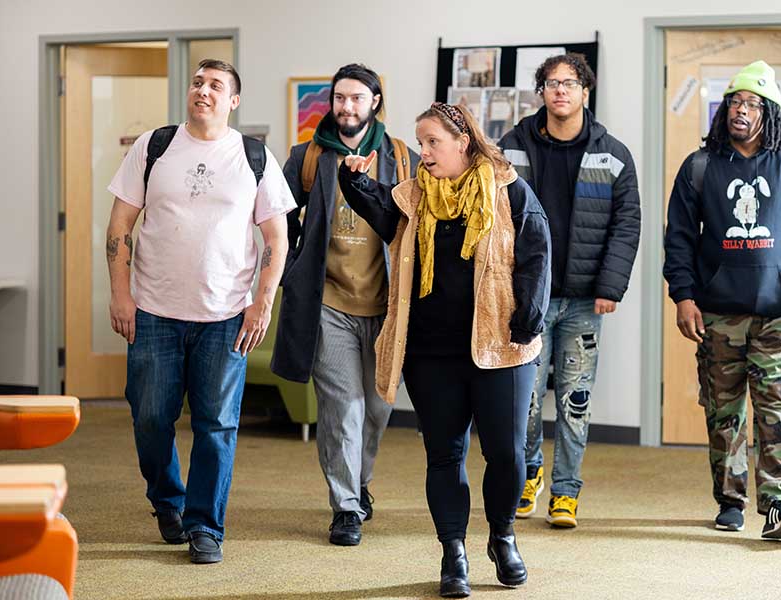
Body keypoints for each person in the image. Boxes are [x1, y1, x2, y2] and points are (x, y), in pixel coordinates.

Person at [339, 102, 550, 598]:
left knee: (506, 453)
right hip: (432, 353)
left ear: (464, 142)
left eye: (433, 141)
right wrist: (354, 180)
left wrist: (528, 320)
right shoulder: (413, 196)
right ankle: (452, 551)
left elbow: (537, 253)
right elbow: (384, 218)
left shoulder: (507, 189)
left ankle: (502, 536)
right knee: (444, 455)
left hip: (502, 346)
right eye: (420, 142)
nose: (424, 152)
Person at [106, 59, 295, 563]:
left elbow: (277, 237)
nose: (203, 91)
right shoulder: (155, 146)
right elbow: (120, 224)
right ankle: (167, 500)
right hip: (152, 312)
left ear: (233, 101)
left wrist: (262, 304)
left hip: (226, 316)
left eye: (216, 86)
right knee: (150, 417)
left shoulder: (254, 156)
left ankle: (205, 525)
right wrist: (120, 294)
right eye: (197, 82)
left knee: (216, 424)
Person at [664, 60, 781, 539]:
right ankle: (731, 500)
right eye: (734, 102)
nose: (740, 110)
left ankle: (779, 504)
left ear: (771, 113)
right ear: (723, 111)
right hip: (716, 312)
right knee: (724, 410)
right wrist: (684, 296)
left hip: (778, 312)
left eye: (752, 104)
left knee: (776, 408)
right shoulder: (699, 167)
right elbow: (678, 238)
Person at [270, 64, 418, 547]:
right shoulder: (307, 158)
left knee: (377, 408)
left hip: (385, 307)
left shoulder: (401, 158)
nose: (346, 107)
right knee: (343, 407)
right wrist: (290, 272)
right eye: (339, 98)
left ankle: (359, 482)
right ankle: (346, 507)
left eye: (357, 98)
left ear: (375, 102)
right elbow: (277, 223)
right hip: (327, 304)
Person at [498, 53, 641, 527]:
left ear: (585, 92)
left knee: (575, 402)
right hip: (527, 300)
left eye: (570, 83)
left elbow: (627, 225)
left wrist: (611, 287)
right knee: (526, 400)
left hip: (584, 300)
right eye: (552, 83)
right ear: (541, 91)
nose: (560, 90)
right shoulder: (510, 149)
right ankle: (530, 472)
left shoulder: (613, 154)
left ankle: (566, 491)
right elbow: (493, 221)